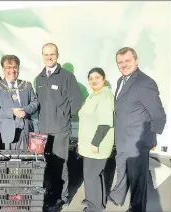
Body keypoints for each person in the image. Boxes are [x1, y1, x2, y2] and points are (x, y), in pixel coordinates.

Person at [108, 47, 166, 212]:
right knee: (121, 170)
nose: (123, 65)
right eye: (120, 62)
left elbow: (159, 116)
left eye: (127, 61)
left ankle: (137, 208)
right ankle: (118, 196)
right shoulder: (121, 81)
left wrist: (149, 139)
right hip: (122, 138)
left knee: (137, 179)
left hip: (136, 142)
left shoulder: (145, 83)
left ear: (136, 61)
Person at [35, 43, 82, 208]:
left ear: (57, 55)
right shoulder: (39, 78)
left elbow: (76, 102)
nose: (49, 57)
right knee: (46, 163)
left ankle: (62, 197)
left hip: (60, 130)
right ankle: (50, 193)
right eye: (46, 54)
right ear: (42, 56)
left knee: (60, 165)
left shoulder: (67, 77)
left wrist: (62, 117)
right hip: (43, 131)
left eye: (52, 54)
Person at [77, 68, 115, 212]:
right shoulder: (94, 95)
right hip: (89, 144)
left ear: (103, 79)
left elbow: (105, 123)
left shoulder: (105, 96)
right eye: (91, 78)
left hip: (96, 144)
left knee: (92, 176)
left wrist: (95, 143)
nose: (93, 80)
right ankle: (96, 201)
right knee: (94, 175)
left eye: (97, 77)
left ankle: (94, 208)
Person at [0, 55, 38, 150]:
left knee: (24, 162)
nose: (12, 71)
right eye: (8, 68)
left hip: (24, 131)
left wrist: (24, 110)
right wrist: (12, 112)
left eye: (15, 67)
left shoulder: (27, 85)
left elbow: (35, 103)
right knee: (4, 162)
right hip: (3, 132)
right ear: (3, 69)